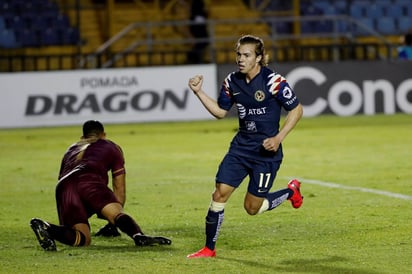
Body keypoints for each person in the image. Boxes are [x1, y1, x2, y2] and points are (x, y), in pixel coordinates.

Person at [186, 35, 304, 258]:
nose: (241, 59)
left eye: (246, 55)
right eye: (238, 54)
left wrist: (279, 138)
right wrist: (198, 92)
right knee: (219, 194)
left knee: (252, 208)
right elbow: (221, 112)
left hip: (266, 154)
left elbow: (296, 110)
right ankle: (209, 249)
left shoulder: (274, 81)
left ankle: (290, 191)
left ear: (258, 58)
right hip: (240, 149)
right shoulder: (232, 81)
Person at [30, 120, 172, 251]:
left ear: (83, 136)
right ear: (103, 135)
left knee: (83, 238)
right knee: (115, 213)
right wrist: (114, 219)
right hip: (89, 180)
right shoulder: (110, 146)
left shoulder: (71, 149)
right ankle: (138, 236)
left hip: (63, 187)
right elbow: (119, 187)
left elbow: (63, 177)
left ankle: (46, 227)